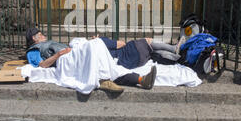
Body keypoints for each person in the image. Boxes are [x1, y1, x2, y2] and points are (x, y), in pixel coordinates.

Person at [25, 28, 157, 93]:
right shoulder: (33, 50)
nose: (42, 35)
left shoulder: (47, 42)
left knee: (99, 46)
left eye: (41, 33)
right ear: (34, 39)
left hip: (71, 53)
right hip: (64, 60)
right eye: (39, 35)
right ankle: (104, 80)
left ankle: (141, 80)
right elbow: (42, 65)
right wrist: (58, 54)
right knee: (96, 45)